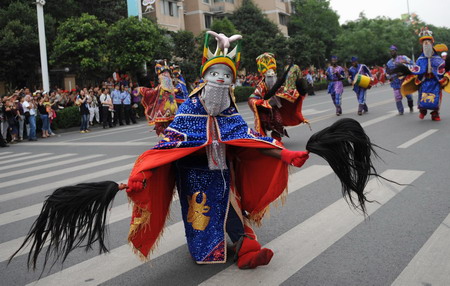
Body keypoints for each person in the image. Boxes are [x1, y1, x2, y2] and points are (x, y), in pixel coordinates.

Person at [11, 32, 388, 273]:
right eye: (216, 76)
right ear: (204, 78)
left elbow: (247, 139)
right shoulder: (190, 109)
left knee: (231, 205)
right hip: (194, 174)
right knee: (203, 216)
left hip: (223, 168)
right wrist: (143, 174)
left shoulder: (227, 109)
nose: (221, 83)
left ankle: (245, 245)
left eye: (227, 78)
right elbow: (169, 146)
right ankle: (235, 246)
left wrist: (284, 155)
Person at [248, 52, 308, 141]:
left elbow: (282, 88)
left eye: (273, 76)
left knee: (279, 122)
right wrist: (258, 102)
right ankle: (263, 141)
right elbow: (252, 97)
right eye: (269, 77)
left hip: (274, 107)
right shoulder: (261, 86)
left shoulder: (278, 85)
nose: (271, 79)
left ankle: (276, 140)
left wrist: (297, 92)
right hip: (263, 108)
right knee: (264, 122)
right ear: (265, 76)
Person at [397, 27, 449, 121]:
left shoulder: (438, 59)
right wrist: (406, 69)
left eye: (428, 41)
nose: (426, 43)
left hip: (435, 80)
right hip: (424, 80)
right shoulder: (420, 59)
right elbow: (416, 69)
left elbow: (442, 67)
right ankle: (423, 111)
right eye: (424, 41)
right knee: (423, 96)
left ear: (432, 43)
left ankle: (435, 113)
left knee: (436, 97)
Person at [138, 60, 178, 135]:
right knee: (170, 124)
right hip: (173, 107)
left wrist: (142, 89)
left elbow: (152, 93)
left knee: (159, 124)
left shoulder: (161, 87)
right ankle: (172, 136)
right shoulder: (171, 87)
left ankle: (167, 137)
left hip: (164, 108)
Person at [386, 45, 414, 115]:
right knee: (397, 96)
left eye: (393, 51)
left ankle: (411, 106)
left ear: (396, 51)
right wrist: (389, 77)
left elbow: (413, 64)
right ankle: (400, 111)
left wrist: (405, 65)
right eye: (391, 51)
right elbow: (387, 72)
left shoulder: (403, 58)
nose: (392, 52)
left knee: (409, 96)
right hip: (395, 82)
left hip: (404, 80)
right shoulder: (389, 63)